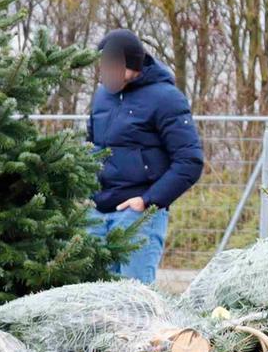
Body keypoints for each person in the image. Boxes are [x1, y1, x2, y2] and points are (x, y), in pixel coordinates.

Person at [86, 30, 204, 285]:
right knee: (89, 303)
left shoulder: (166, 98)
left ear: (132, 64)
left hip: (138, 217)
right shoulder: (101, 97)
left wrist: (147, 201)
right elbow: (91, 148)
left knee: (133, 305)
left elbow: (190, 161)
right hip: (95, 214)